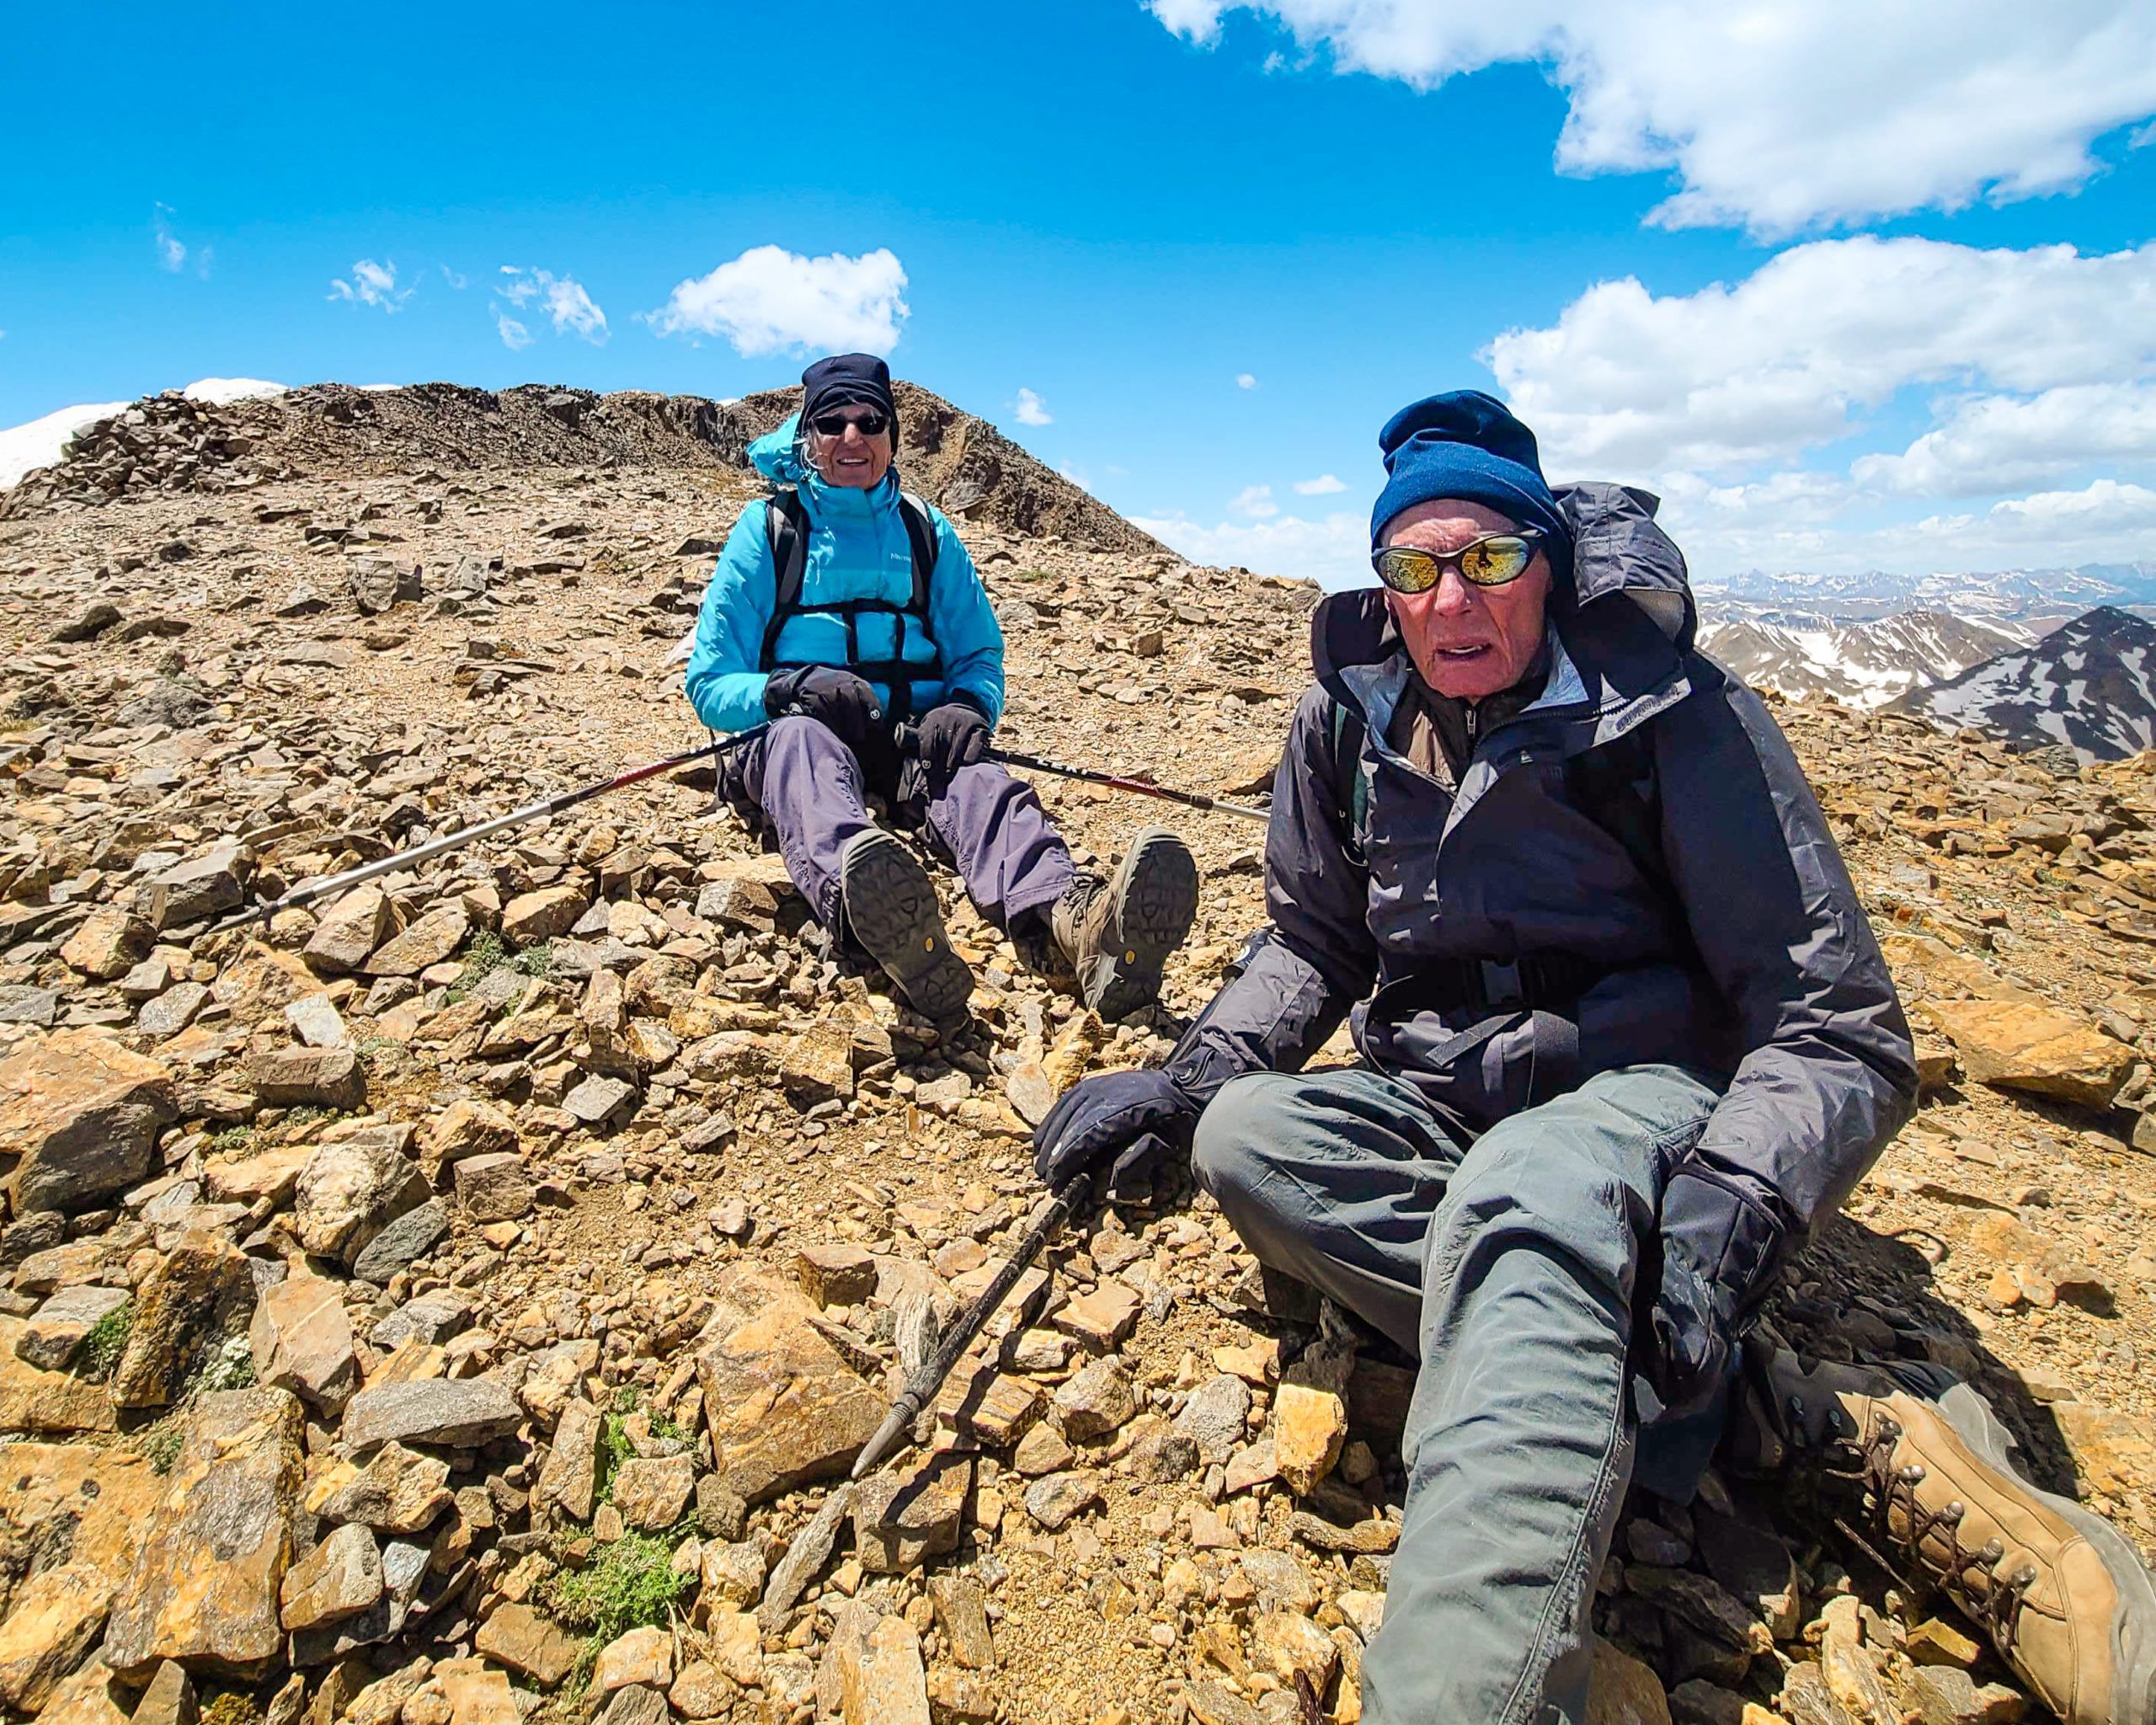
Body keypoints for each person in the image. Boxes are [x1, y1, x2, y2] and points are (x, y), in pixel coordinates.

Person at [1031, 391, 2156, 1725]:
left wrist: (1728, 1215)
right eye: (1414, 566)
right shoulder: (1348, 720)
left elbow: (1837, 1024)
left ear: (1547, 562)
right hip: (1438, 1094)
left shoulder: (1676, 716)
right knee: (1254, 1145)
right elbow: (1315, 940)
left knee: (1535, 1193)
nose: (1451, 601)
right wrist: (1193, 1081)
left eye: (1488, 560)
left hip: (1641, 1094)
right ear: (1383, 581)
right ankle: (1768, 1412)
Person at [685, 353, 1198, 1027]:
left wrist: (967, 706)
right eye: (831, 422)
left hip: (908, 740)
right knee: (801, 745)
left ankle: (1081, 927)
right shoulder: (768, 532)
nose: (852, 438)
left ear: (892, 433)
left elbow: (978, 651)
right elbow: (710, 683)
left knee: (985, 784)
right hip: (795, 734)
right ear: (805, 436)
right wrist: (788, 688)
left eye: (869, 421)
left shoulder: (927, 532)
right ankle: (870, 912)